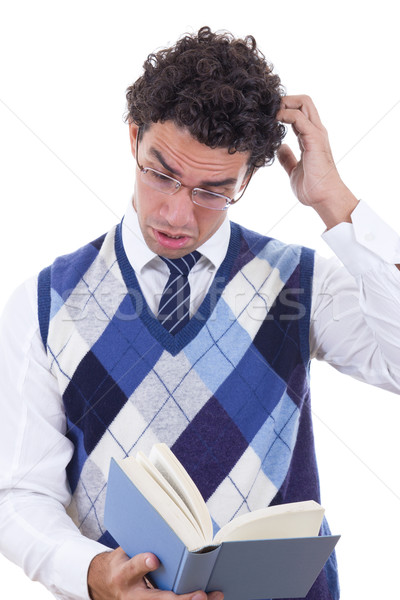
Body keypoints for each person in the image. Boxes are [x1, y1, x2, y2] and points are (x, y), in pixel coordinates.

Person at [0, 25, 399, 600]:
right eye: (161, 173)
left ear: (249, 178)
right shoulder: (44, 302)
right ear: (133, 138)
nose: (176, 214)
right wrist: (93, 575)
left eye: (212, 190)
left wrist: (335, 203)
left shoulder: (301, 283)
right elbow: (18, 494)